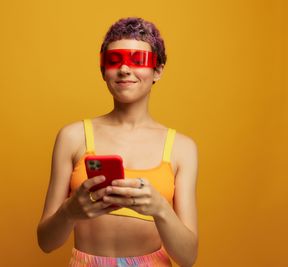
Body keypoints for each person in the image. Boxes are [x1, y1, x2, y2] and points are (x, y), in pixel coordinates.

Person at [37, 17, 199, 267]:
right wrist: (69, 211)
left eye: (137, 60)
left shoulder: (182, 148)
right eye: (114, 61)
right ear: (103, 70)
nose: (124, 69)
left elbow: (187, 257)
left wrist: (160, 209)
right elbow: (46, 242)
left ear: (158, 70)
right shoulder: (72, 137)